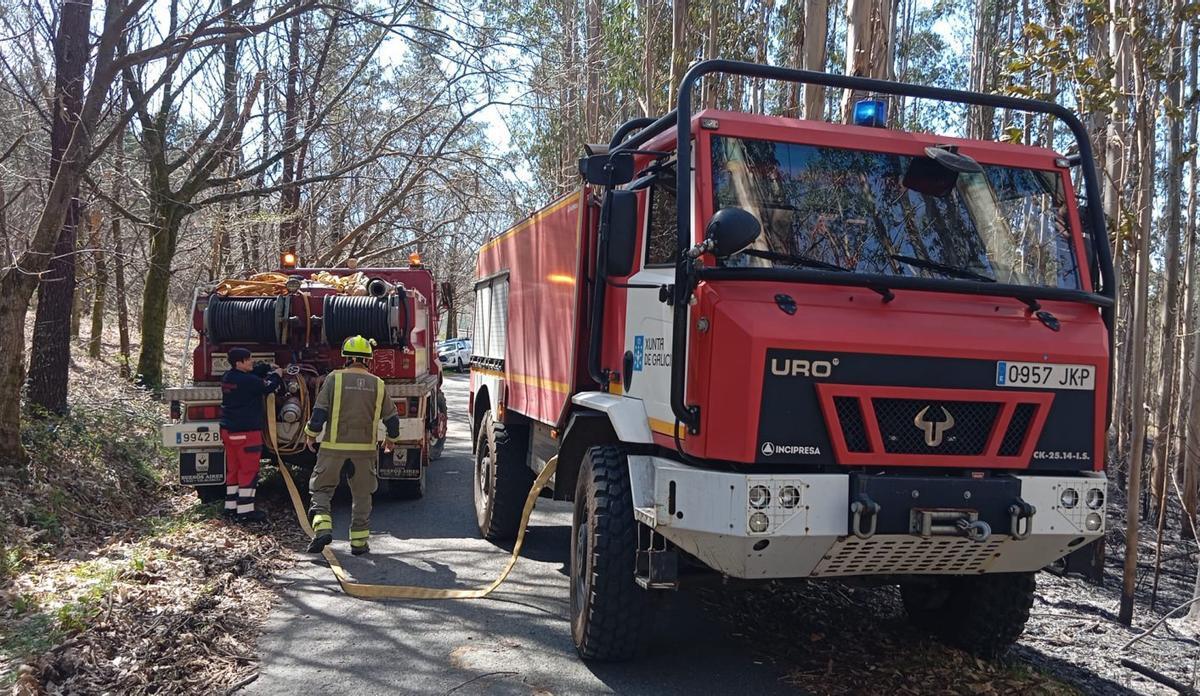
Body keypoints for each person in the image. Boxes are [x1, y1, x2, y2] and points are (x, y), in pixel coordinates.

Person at [303, 335, 401, 555]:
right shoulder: (378, 384)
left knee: (321, 489)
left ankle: (323, 529)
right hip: (364, 452)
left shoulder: (333, 379)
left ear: (345, 358)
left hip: (333, 449)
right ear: (369, 360)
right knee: (362, 495)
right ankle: (358, 543)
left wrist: (310, 435)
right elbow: (392, 420)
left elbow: (319, 414)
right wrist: (391, 440)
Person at [219, 347, 282, 523]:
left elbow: (252, 374)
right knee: (248, 471)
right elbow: (269, 387)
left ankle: (230, 507)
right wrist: (277, 374)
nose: (251, 362)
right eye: (248, 360)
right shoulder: (250, 382)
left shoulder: (228, 377)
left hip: (228, 431)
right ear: (239, 363)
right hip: (246, 433)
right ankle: (246, 511)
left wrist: (266, 367)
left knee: (234, 470)